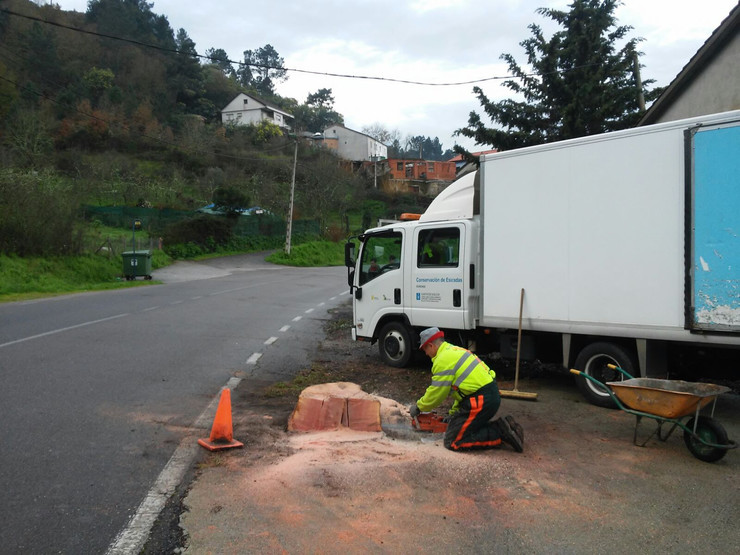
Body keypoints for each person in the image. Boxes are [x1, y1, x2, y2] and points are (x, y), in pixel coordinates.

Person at [409, 327, 524, 452]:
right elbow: (460, 392)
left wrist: (420, 407)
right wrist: (454, 413)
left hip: (482, 399)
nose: (425, 353)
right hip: (485, 395)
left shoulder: (442, 360)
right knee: (458, 426)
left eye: (425, 349)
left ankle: (500, 432)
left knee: (453, 441)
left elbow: (437, 392)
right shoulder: (452, 350)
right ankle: (505, 425)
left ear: (430, 345)